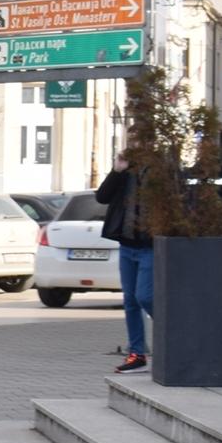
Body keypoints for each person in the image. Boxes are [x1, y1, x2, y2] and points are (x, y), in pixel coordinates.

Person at [96, 151, 154, 372]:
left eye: (140, 142)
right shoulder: (124, 173)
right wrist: (116, 171)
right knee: (130, 301)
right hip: (127, 244)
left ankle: (174, 334)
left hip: (150, 245)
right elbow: (102, 197)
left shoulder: (159, 171)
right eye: (133, 141)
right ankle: (137, 354)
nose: (135, 146)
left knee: (145, 296)